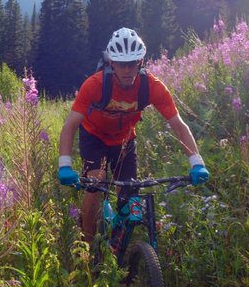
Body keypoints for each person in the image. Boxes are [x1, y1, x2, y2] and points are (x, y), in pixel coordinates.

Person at [57, 27, 209, 247]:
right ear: (112, 63)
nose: (127, 70)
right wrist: (65, 165)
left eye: (133, 63)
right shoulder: (95, 85)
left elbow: (178, 125)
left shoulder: (152, 87)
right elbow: (70, 126)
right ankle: (87, 246)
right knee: (96, 181)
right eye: (122, 64)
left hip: (124, 140)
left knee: (129, 197)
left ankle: (123, 242)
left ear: (141, 62)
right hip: (94, 137)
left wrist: (197, 163)